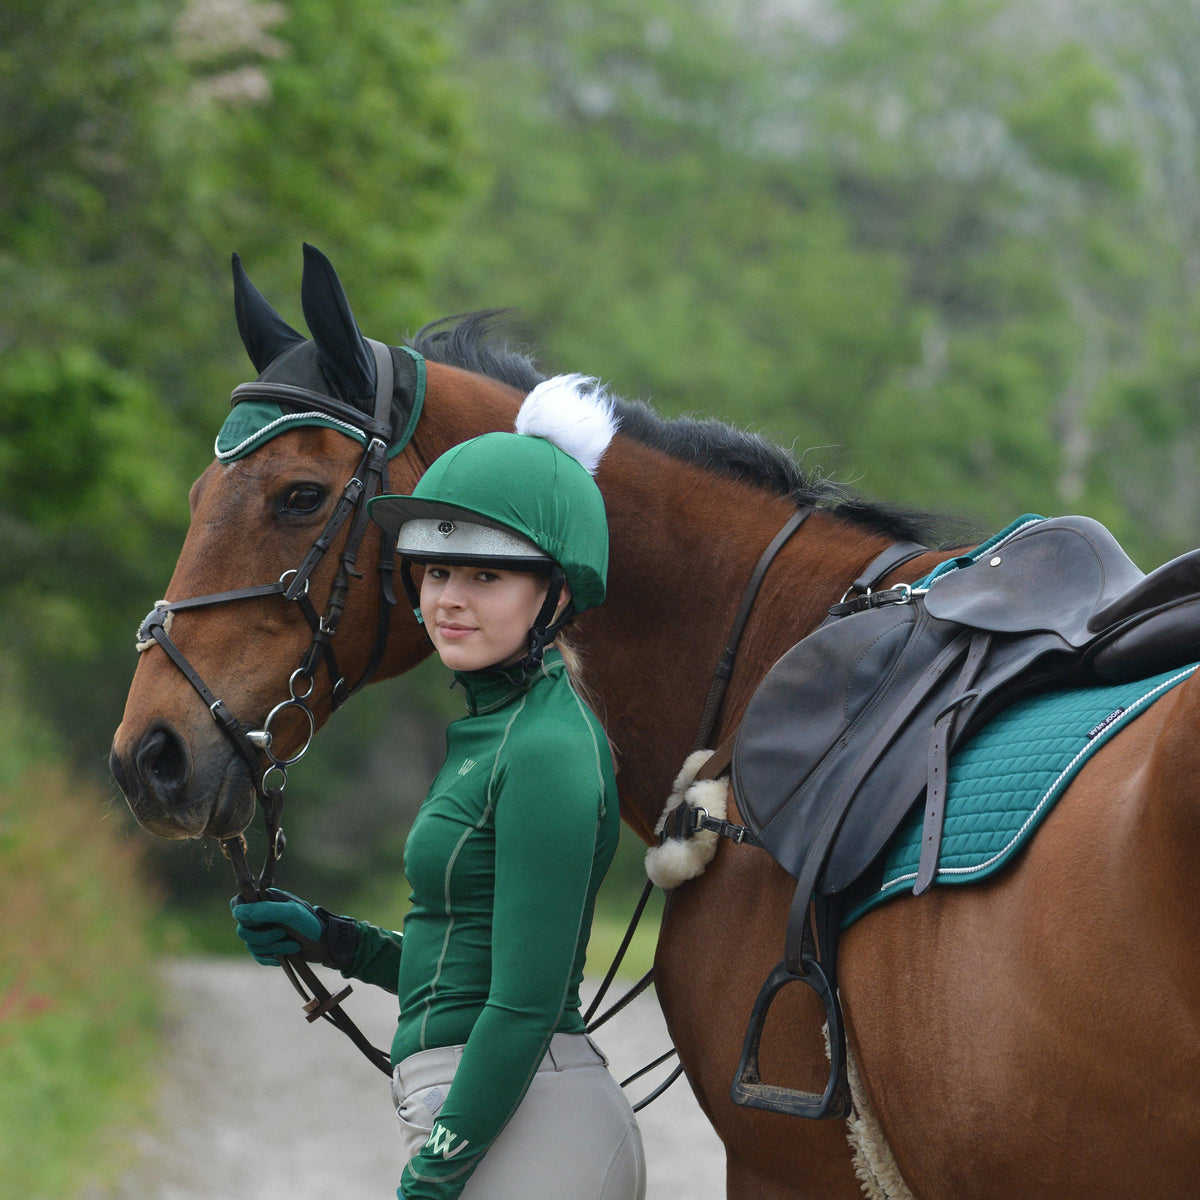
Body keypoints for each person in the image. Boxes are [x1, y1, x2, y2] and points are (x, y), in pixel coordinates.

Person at [231, 374, 646, 1200]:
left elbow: (524, 1005)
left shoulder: (548, 748)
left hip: (538, 1133)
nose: (450, 599)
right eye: (436, 571)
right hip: (500, 1121)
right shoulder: (495, 731)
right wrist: (336, 941)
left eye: (486, 578)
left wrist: (435, 1174)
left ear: (556, 592)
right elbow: (463, 964)